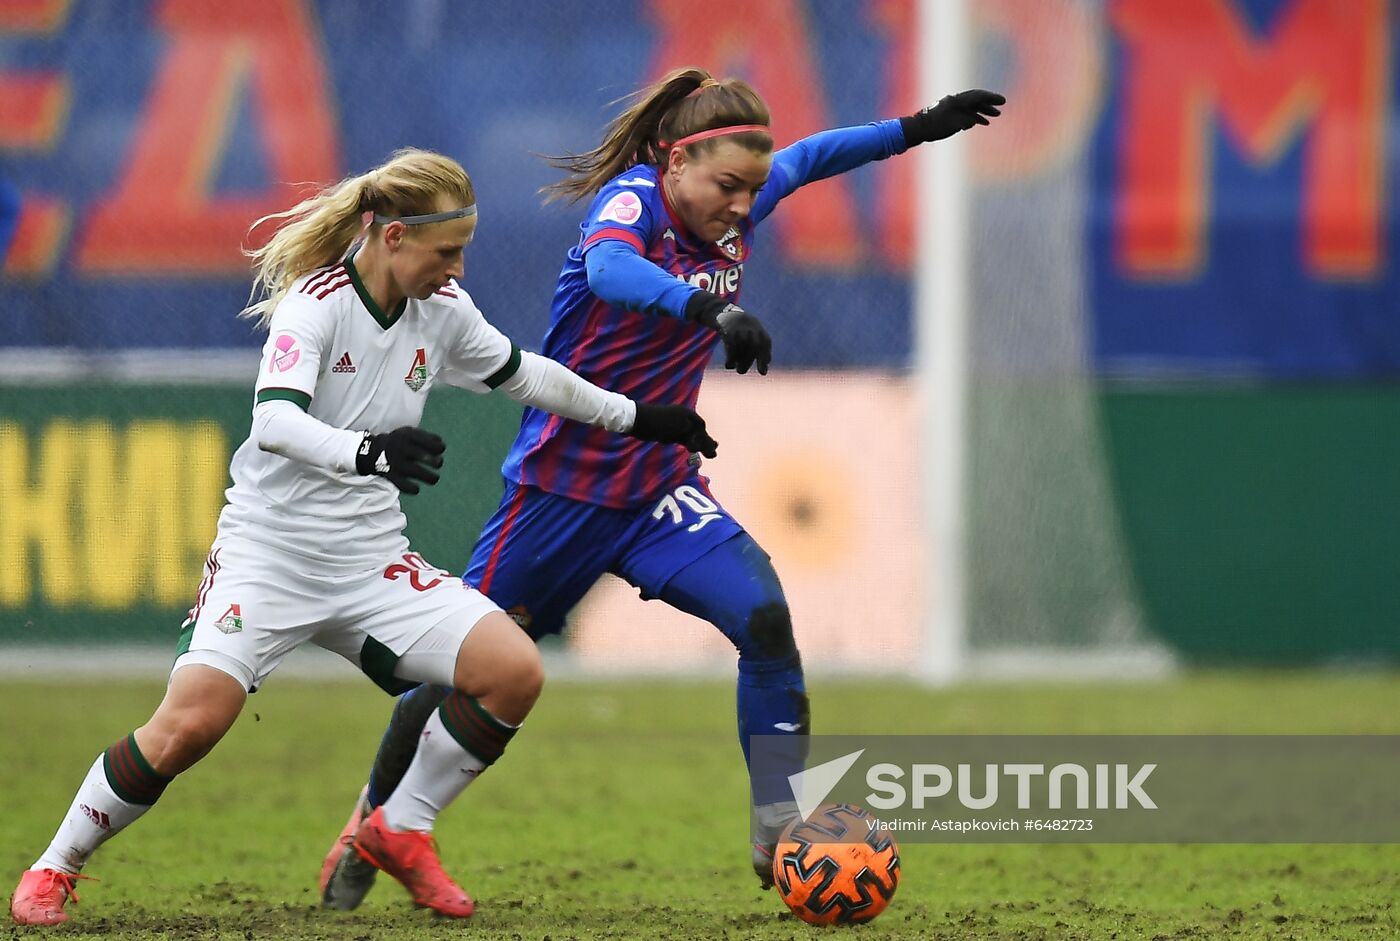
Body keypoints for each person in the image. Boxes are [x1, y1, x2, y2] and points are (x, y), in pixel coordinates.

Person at [319, 69, 1005, 908]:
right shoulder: (631, 205)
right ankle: (368, 823)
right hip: (556, 498)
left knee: (763, 618)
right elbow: (610, 272)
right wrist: (703, 309)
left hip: (655, 493)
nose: (744, 206)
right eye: (727, 186)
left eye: (754, 189)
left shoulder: (735, 195)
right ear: (674, 163)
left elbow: (816, 154)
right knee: (448, 676)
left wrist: (918, 127)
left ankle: (778, 830)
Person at [7, 148, 717, 926]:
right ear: (390, 236)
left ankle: (400, 826)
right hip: (268, 559)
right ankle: (54, 865)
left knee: (512, 669)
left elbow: (527, 374)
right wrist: (369, 451)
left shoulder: (443, 310)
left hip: (370, 563)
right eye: (446, 251)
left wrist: (640, 418)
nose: (456, 268)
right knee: (190, 725)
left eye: (463, 251)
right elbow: (273, 421)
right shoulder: (313, 306)